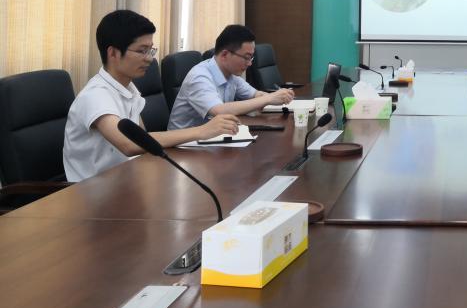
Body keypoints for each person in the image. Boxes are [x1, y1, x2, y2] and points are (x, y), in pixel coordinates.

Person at [63, 10, 240, 182]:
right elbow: (129, 144)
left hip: (129, 180)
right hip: (93, 192)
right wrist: (202, 131)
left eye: (150, 50)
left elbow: (142, 138)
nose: (149, 58)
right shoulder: (95, 95)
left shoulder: (128, 88)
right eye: (142, 51)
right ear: (113, 53)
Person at [168, 24, 294, 129]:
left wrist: (278, 96)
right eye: (246, 57)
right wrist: (269, 98)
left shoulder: (231, 75)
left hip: (211, 138)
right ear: (224, 55)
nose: (250, 63)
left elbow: (256, 95)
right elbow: (219, 111)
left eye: (251, 58)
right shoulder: (199, 77)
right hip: (183, 145)